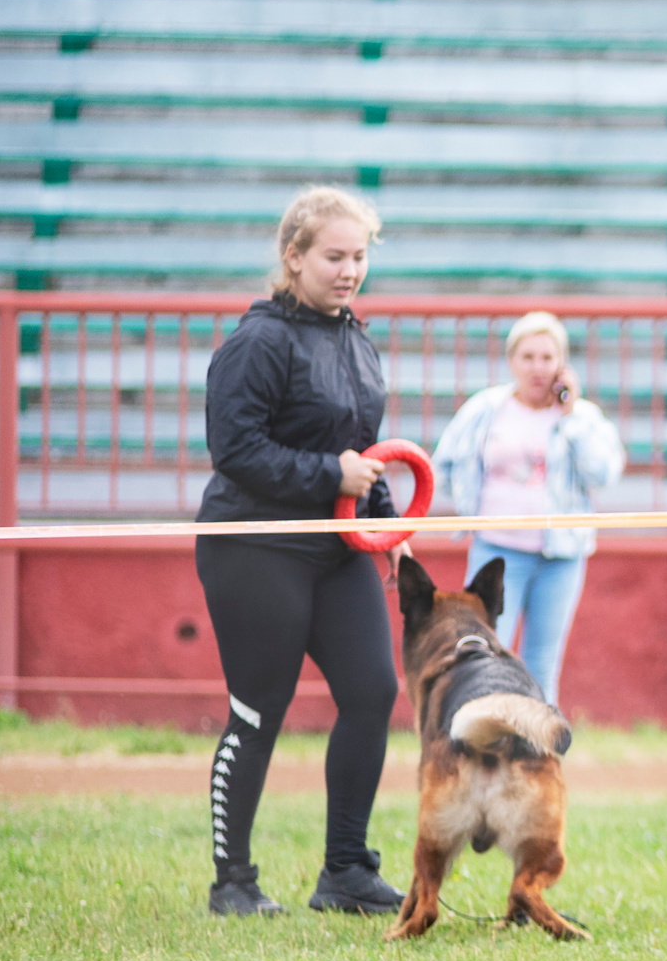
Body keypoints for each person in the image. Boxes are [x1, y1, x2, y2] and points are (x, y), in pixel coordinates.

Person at [195, 186, 405, 919]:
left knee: (373, 690)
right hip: (254, 545)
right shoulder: (258, 342)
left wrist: (387, 527)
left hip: (334, 545)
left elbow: (359, 451)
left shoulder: (355, 334)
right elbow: (237, 449)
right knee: (258, 710)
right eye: (334, 256)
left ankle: (346, 870)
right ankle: (234, 882)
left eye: (359, 257)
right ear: (294, 257)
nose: (349, 270)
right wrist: (330, 475)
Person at [431, 311, 624, 707]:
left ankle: (538, 754)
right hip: (496, 550)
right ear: (512, 361)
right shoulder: (486, 408)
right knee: (485, 654)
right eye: (528, 357)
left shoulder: (582, 417)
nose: (538, 367)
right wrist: (475, 505)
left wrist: (570, 417)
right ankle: (484, 743)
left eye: (547, 358)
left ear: (562, 364)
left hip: (560, 557)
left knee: (541, 663)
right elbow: (445, 463)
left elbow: (604, 472)